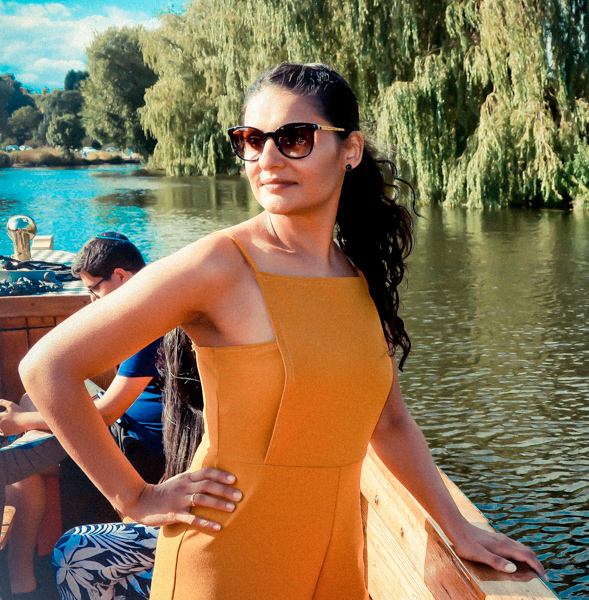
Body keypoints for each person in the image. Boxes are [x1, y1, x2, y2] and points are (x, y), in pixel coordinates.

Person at [20, 62, 545, 600]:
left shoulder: (359, 275)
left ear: (351, 149)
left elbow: (388, 422)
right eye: (251, 140)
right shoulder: (219, 265)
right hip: (228, 562)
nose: (267, 159)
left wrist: (458, 528)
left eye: (294, 138)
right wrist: (135, 497)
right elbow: (49, 368)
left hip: (337, 567)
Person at [1, 233, 166, 599]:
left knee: (24, 462)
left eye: (94, 289)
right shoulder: (148, 306)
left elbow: (107, 413)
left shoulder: (150, 319)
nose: (91, 299)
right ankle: (23, 578)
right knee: (32, 398)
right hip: (130, 421)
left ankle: (23, 581)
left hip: (139, 440)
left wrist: (18, 423)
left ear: (121, 277)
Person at [53, 328, 202, 600]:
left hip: (152, 457)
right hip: (210, 499)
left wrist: (136, 500)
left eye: (94, 286)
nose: (92, 299)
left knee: (72, 552)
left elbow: (44, 368)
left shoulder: (154, 328)